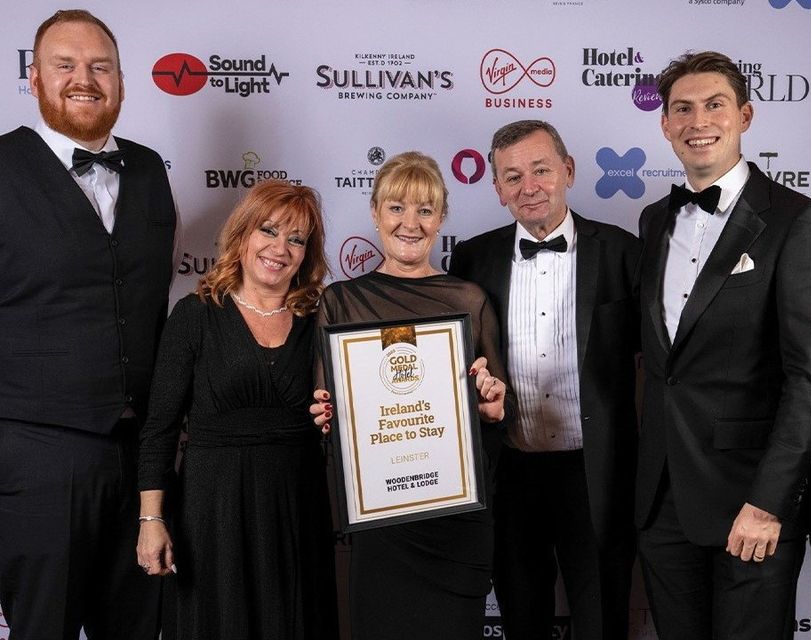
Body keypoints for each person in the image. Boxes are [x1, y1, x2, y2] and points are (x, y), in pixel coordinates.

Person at [634, 51, 811, 639]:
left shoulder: (798, 221)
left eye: (714, 105)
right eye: (682, 108)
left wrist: (769, 501)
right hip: (661, 498)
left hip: (748, 501)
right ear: (665, 124)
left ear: (745, 116)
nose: (698, 120)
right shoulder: (653, 221)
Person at [0, 10, 176, 639]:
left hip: (142, 467)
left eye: (100, 67)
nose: (85, 79)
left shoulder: (152, 170)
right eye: (65, 65)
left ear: (122, 82)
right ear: (34, 78)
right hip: (35, 460)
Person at [448, 120, 642, 640]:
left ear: (569, 171)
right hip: (510, 472)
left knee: (602, 616)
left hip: (595, 473)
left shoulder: (623, 251)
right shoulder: (472, 257)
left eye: (541, 170)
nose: (528, 187)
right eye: (512, 177)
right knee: (521, 615)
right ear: (496, 188)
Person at [311, 151, 514, 639]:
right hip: (383, 522)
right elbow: (328, 423)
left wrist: (490, 409)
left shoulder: (469, 299)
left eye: (425, 210)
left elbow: (496, 416)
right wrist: (325, 418)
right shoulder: (340, 301)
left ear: (441, 218)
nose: (411, 223)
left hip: (455, 522)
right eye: (397, 207)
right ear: (375, 213)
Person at [137, 180, 337, 639]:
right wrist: (152, 520)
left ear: (308, 252)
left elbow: (346, 413)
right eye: (268, 230)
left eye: (296, 239)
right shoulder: (195, 315)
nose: (279, 248)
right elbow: (159, 431)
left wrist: (332, 419)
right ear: (243, 234)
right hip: (212, 512)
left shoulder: (323, 319)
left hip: (297, 510)